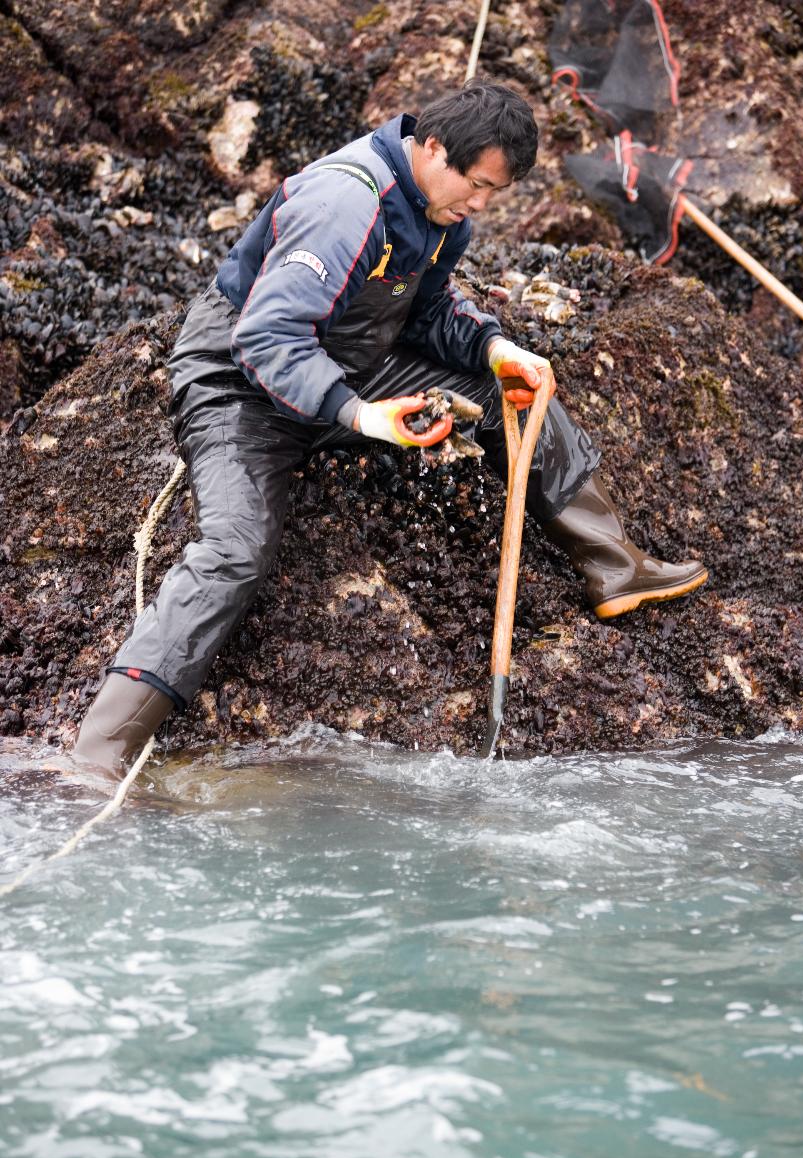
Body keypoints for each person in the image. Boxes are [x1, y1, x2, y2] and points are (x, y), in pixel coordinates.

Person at [71, 79, 707, 777]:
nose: (480, 205)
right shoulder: (345, 200)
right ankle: (101, 751)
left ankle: (613, 565)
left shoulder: (440, 210)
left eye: (495, 193)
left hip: (349, 365)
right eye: (476, 184)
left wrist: (494, 348)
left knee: (512, 393)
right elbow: (266, 337)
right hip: (239, 385)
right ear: (431, 147)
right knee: (235, 548)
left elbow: (427, 311)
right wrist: (359, 413)